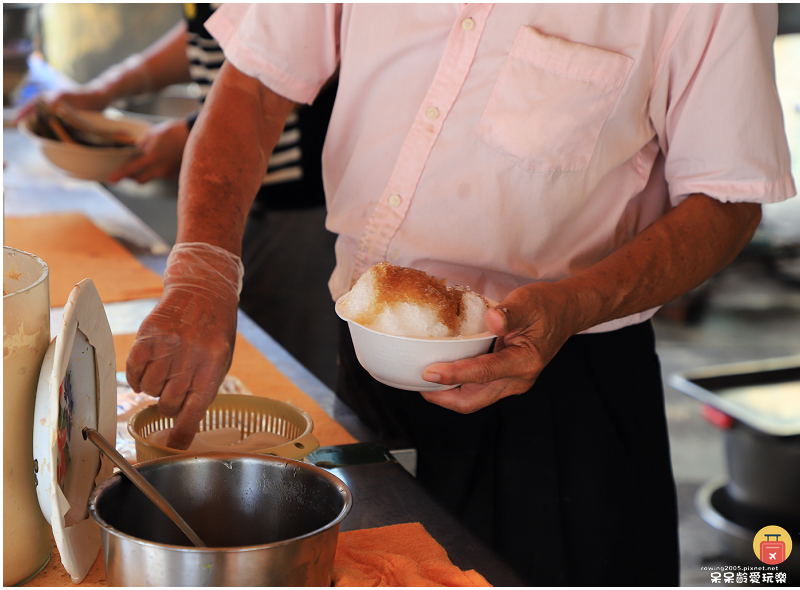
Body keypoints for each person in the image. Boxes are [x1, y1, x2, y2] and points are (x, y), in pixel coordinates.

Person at [125, 4, 796, 586]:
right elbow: (252, 87)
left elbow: (728, 197)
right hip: (367, 364)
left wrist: (575, 304)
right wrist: (202, 266)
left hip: (564, 395)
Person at [18, 4, 340, 389]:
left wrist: (197, 135)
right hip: (243, 200)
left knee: (289, 382)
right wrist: (110, 88)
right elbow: (228, 32)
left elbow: (291, 60)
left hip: (300, 204)